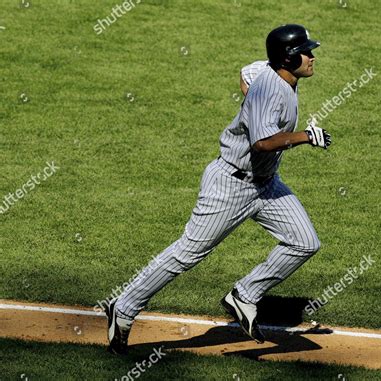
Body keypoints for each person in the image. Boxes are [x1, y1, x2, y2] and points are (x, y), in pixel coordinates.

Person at [106, 23, 331, 355]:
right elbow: (262, 142)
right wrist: (305, 136)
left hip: (266, 186)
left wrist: (251, 104)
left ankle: (245, 295)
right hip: (230, 185)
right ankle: (123, 308)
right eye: (305, 52)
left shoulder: (269, 72)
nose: (312, 57)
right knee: (187, 254)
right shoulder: (271, 90)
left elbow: (247, 73)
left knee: (305, 242)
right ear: (287, 58)